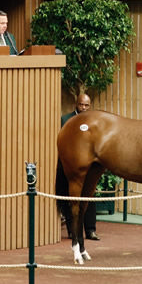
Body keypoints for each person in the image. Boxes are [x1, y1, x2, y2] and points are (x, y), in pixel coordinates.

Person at [61, 93, 100, 241]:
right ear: (76, 104)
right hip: (70, 165)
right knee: (70, 196)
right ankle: (73, 230)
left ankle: (90, 230)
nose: (83, 108)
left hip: (89, 165)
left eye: (86, 105)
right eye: (81, 105)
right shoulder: (65, 119)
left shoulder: (94, 121)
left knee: (90, 195)